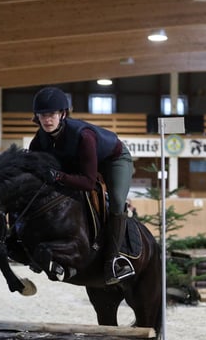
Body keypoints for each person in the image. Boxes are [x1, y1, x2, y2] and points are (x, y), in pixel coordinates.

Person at [28, 86, 135, 285]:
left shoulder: (83, 135)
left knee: (118, 201)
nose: (47, 120)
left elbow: (87, 182)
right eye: (42, 115)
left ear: (63, 114)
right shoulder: (39, 141)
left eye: (51, 114)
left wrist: (58, 176)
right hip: (81, 162)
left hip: (113, 160)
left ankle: (114, 260)